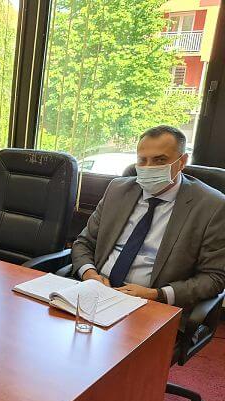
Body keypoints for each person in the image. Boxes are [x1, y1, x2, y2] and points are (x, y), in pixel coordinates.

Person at [71, 125, 225, 311]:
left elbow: (214, 277)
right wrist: (90, 275)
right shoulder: (117, 190)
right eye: (142, 160)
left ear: (182, 162)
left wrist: (157, 294)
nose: (148, 167)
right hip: (97, 291)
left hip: (153, 304)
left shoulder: (212, 206)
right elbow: (84, 243)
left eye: (160, 160)